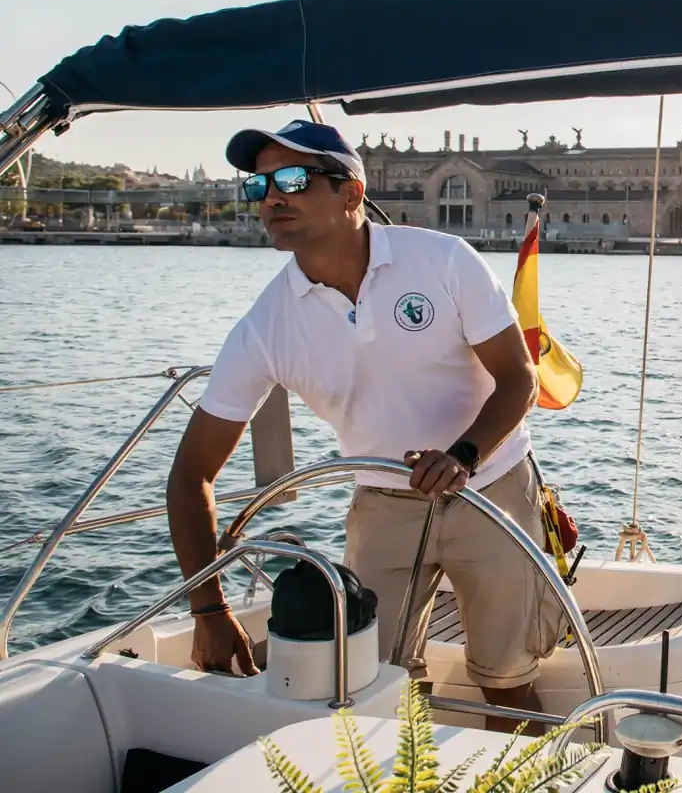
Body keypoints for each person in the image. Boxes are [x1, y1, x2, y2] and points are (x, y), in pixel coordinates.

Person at [165, 119, 561, 730]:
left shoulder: (443, 261)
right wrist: (208, 610)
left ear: (351, 193)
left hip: (495, 489)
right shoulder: (267, 325)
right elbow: (192, 475)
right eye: (258, 186)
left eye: (293, 180)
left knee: (506, 685)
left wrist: (463, 455)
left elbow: (519, 380)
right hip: (383, 504)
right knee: (372, 693)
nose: (271, 197)